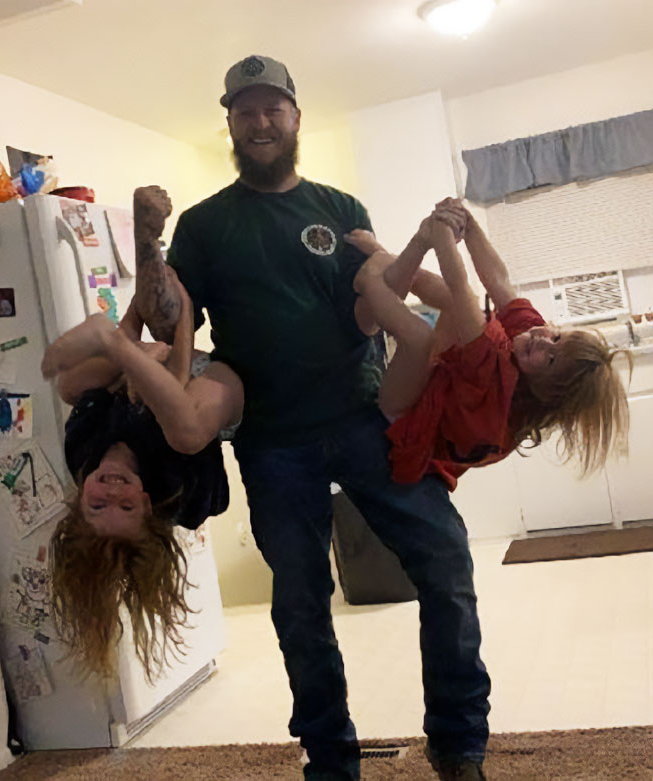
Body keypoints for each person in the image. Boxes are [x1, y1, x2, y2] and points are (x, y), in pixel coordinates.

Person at [162, 55, 491, 781]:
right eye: (245, 110)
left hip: (367, 420)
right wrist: (151, 256)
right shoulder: (205, 225)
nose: (260, 121)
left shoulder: (340, 210)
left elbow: (373, 301)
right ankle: (332, 758)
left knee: (445, 562)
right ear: (230, 123)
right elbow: (175, 319)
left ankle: (459, 741)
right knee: (301, 603)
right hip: (273, 441)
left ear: (295, 116)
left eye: (272, 107)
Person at [42, 186, 243, 680]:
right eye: (126, 506)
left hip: (147, 384)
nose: (111, 492)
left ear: (78, 502)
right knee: (186, 428)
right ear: (148, 506)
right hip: (217, 393)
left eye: (97, 504)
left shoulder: (81, 453)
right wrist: (184, 317)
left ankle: (147, 255)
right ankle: (120, 334)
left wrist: (133, 313)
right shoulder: (181, 492)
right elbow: (177, 383)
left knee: (71, 385)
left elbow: (123, 370)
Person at [345, 201, 630, 488]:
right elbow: (499, 280)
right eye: (557, 337)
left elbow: (460, 283)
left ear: (546, 391)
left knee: (421, 337)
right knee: (454, 303)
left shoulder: (496, 379)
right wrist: (466, 222)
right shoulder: (532, 337)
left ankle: (369, 280)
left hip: (404, 423)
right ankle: (382, 262)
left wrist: (440, 230)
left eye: (551, 359)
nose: (543, 341)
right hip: (440, 387)